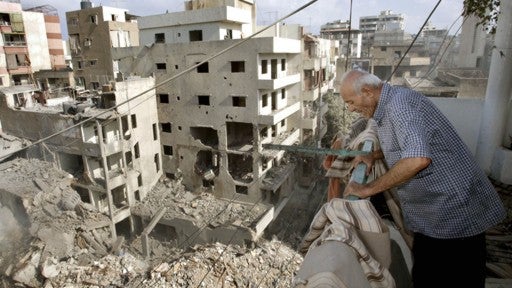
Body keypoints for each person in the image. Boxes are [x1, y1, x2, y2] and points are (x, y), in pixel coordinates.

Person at [338, 69, 506, 288]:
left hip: (453, 212)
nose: (351, 109)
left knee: (455, 277)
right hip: (434, 214)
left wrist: (366, 189)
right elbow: (406, 147)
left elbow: (417, 158)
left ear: (368, 92)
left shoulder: (399, 106)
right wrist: (372, 155)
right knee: (426, 274)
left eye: (351, 102)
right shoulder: (387, 106)